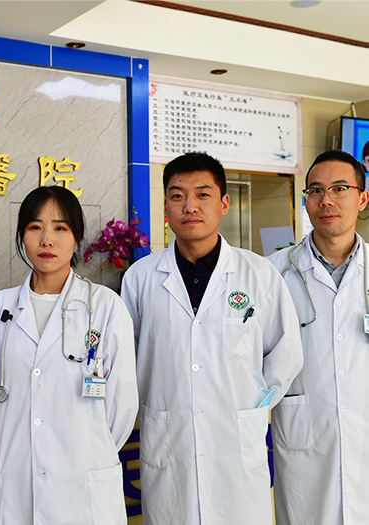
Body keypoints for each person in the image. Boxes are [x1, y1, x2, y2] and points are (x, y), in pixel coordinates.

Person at [120, 152, 303, 525]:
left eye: (203, 194)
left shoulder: (258, 274)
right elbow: (127, 358)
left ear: (224, 203)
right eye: (177, 196)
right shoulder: (140, 278)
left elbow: (285, 353)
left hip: (236, 446)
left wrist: (252, 406)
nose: (190, 206)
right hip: (169, 446)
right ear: (165, 207)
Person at [0, 185, 138, 524]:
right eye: (35, 227)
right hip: (13, 479)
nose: (46, 239)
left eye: (60, 228)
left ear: (76, 237)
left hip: (82, 481)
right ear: (22, 236)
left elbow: (121, 406)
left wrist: (84, 447)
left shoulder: (105, 307)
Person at [268, 150, 369, 524]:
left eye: (340, 188)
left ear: (362, 198)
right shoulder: (273, 274)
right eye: (315, 190)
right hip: (304, 444)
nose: (326, 200)